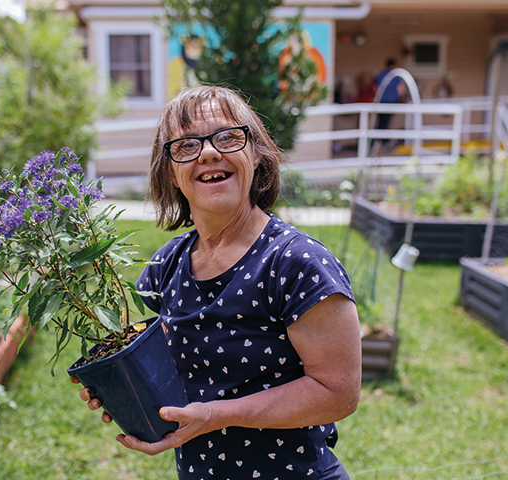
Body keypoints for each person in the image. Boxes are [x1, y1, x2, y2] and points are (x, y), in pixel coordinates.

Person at [73, 85, 362, 479]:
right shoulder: (167, 265)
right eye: (186, 145)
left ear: (256, 152)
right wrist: (121, 387)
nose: (209, 152)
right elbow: (171, 370)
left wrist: (214, 416)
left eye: (228, 137)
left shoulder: (297, 263)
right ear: (171, 172)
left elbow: (339, 392)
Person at [373, 58, 402, 150]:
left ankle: (378, 142)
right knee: (386, 122)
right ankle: (383, 142)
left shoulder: (380, 74)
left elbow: (375, 87)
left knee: (381, 121)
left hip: (381, 101)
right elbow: (400, 88)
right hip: (391, 102)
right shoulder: (394, 75)